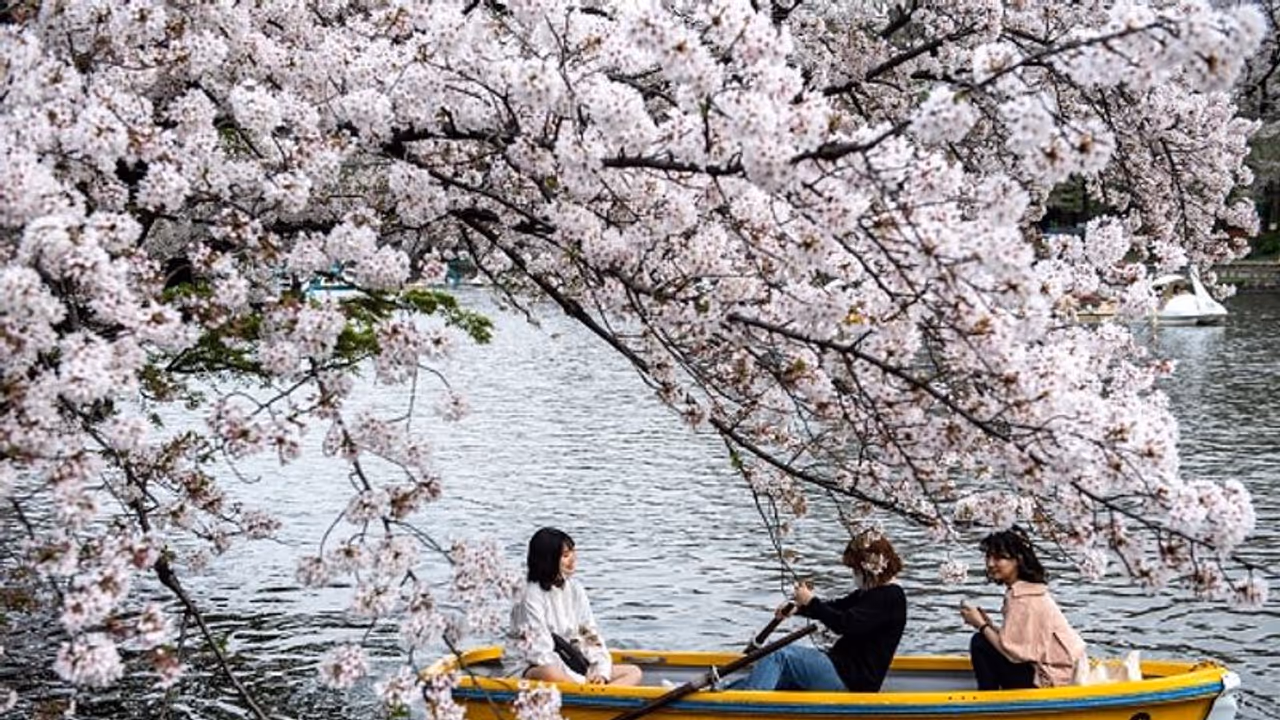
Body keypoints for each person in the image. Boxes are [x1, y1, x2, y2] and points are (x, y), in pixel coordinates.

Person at [733, 529, 907, 692]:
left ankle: (748, 705)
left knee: (777, 655)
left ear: (869, 568)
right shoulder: (871, 593)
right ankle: (727, 695)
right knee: (774, 675)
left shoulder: (890, 597)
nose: (854, 574)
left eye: (855, 569)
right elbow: (836, 607)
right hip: (839, 668)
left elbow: (844, 624)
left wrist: (811, 601)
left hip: (852, 679)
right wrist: (799, 609)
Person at [504, 527, 642, 685]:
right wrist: (581, 681)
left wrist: (601, 672)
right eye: (565, 555)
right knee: (551, 673)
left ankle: (598, 696)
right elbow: (539, 652)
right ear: (548, 560)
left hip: (570, 661)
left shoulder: (575, 589)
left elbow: (589, 634)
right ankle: (593, 695)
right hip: (531, 666)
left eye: (573, 553)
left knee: (633, 672)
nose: (573, 559)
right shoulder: (529, 594)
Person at [959, 526, 1086, 690]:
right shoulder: (1027, 591)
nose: (990, 564)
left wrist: (981, 625)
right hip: (1057, 670)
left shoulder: (1024, 600)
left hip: (1050, 678)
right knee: (984, 639)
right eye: (988, 557)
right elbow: (1019, 641)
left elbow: (1013, 654)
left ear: (1018, 559)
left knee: (980, 642)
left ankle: (987, 698)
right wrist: (988, 625)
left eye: (998, 558)